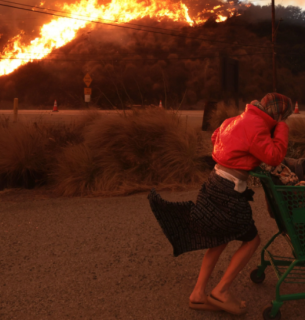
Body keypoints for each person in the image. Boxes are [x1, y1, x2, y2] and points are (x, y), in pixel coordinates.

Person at [147, 92, 293, 316]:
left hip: (215, 182)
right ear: (278, 115)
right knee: (252, 241)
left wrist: (241, 155)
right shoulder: (256, 125)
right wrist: (281, 129)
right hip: (229, 190)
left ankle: (198, 294)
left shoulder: (236, 119)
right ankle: (221, 291)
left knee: (219, 239)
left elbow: (216, 137)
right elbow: (273, 156)